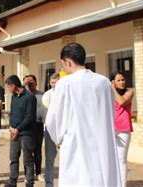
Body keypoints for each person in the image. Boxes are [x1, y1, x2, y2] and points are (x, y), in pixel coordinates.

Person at [46, 43, 121, 186]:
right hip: (102, 141)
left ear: (68, 61)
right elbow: (110, 111)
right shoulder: (104, 82)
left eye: (63, 65)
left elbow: (53, 118)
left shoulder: (65, 83)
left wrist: (58, 138)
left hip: (76, 143)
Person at [4, 75, 36, 187]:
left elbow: (29, 117)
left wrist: (18, 129)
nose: (8, 89)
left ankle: (29, 182)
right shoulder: (13, 97)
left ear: (13, 85)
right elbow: (12, 113)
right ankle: (12, 181)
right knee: (13, 157)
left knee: (28, 159)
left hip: (26, 133)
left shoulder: (29, 97)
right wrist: (11, 127)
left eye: (8, 86)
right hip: (14, 133)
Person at [111, 71, 134, 187]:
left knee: (121, 159)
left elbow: (122, 101)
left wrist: (112, 89)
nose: (122, 82)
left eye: (123, 79)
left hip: (123, 129)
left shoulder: (129, 93)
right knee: (110, 158)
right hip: (110, 129)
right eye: (118, 80)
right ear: (113, 82)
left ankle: (122, 185)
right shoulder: (108, 94)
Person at [24, 74, 45, 182]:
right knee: (27, 151)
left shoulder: (42, 95)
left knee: (37, 151)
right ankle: (28, 174)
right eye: (26, 82)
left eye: (31, 82)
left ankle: (39, 173)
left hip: (38, 124)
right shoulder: (23, 96)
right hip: (25, 126)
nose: (29, 84)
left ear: (36, 83)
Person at [41, 73, 60, 187]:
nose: (54, 85)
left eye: (56, 82)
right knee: (49, 159)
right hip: (50, 130)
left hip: (66, 130)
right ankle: (49, 184)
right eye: (52, 83)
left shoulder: (67, 93)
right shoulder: (47, 95)